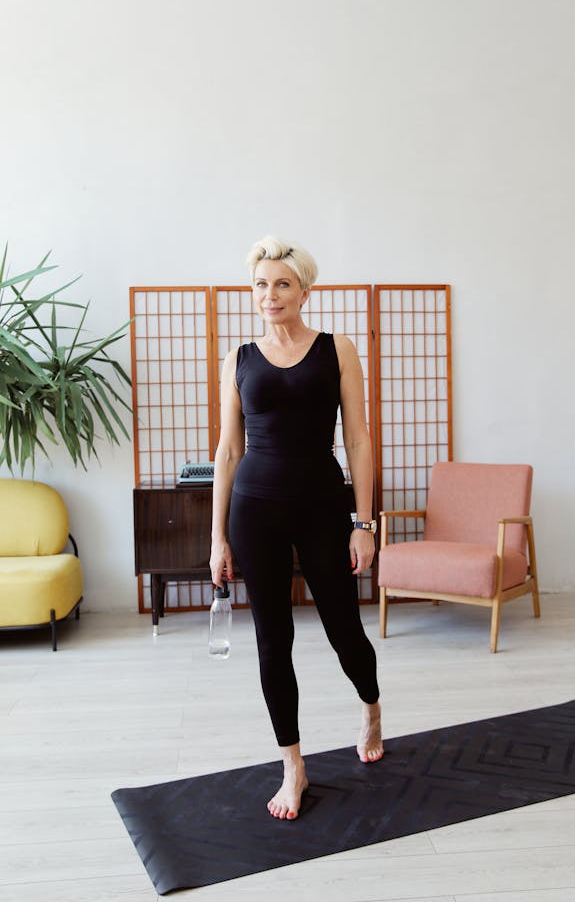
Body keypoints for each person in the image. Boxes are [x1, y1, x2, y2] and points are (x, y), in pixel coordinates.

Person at [209, 235, 383, 821]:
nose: (270, 294)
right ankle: (293, 765)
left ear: (304, 291)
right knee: (272, 639)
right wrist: (217, 537)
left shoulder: (338, 349)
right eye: (261, 284)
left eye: (282, 283)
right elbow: (228, 450)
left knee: (343, 627)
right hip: (254, 509)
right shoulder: (239, 359)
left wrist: (364, 522)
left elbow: (358, 440)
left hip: (322, 506)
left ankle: (371, 707)